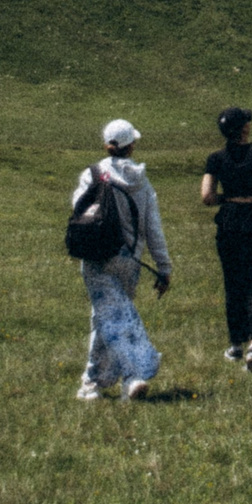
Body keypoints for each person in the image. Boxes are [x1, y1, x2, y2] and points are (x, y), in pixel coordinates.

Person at [71, 117, 172, 401]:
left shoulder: (92, 174)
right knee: (112, 316)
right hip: (131, 262)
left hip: (96, 257)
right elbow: (153, 229)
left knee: (107, 317)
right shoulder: (142, 182)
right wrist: (163, 267)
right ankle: (98, 381)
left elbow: (78, 210)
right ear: (132, 146)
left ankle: (123, 377)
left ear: (107, 145)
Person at [200, 105, 252, 372]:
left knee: (233, 282)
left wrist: (229, 197)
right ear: (244, 128)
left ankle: (236, 343)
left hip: (229, 223)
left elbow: (207, 196)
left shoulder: (215, 158)